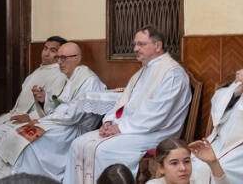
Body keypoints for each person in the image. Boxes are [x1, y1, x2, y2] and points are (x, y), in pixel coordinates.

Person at [64, 27, 191, 184]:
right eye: (135, 44)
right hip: (133, 128)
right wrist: (109, 122)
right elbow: (121, 103)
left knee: (103, 150)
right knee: (78, 143)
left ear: (157, 46)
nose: (135, 49)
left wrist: (120, 128)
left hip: (155, 132)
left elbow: (156, 114)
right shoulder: (143, 71)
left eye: (141, 44)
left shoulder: (172, 73)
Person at [0, 42, 106, 181]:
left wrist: (42, 120)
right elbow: (60, 106)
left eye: (63, 58)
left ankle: (31, 180)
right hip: (61, 124)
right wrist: (44, 99)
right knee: (15, 134)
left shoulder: (89, 81)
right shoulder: (71, 78)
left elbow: (72, 115)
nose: (59, 62)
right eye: (58, 57)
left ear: (77, 58)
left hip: (73, 130)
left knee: (27, 144)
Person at [0, 36, 68, 173]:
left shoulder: (60, 75)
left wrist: (30, 117)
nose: (46, 53)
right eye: (45, 48)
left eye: (52, 50)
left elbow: (53, 104)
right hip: (16, 114)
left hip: (33, 117)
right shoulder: (39, 70)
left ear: (61, 55)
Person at [187, 69, 243, 184]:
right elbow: (218, 103)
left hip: (239, 149)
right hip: (220, 140)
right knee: (195, 160)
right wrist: (236, 92)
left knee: (219, 167)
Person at [147, 137, 229, 184]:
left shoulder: (198, 181)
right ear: (161, 168)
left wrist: (213, 162)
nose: (183, 168)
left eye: (186, 161)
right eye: (174, 163)